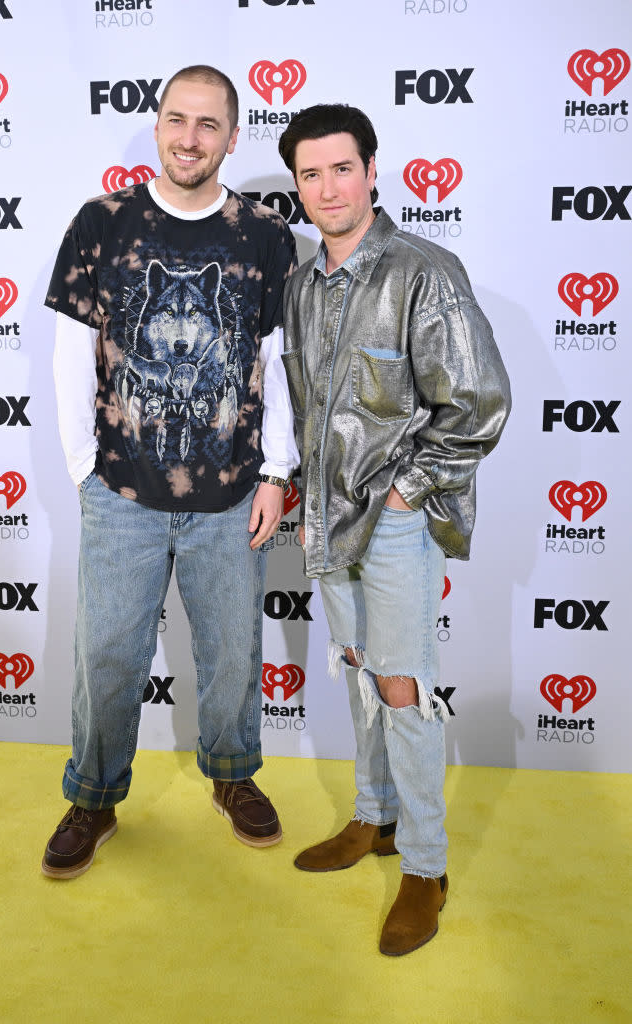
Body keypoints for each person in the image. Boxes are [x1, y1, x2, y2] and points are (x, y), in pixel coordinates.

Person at [41, 65, 298, 879]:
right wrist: (85, 466)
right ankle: (93, 796)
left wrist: (276, 471)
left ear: (232, 134)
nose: (190, 138)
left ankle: (233, 778)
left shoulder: (263, 235)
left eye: (209, 124)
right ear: (156, 126)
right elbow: (66, 355)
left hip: (231, 492)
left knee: (231, 651)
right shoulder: (101, 223)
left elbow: (275, 362)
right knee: (108, 654)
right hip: (121, 490)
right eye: (177, 120)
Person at [277, 104, 510, 955]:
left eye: (342, 168)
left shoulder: (423, 271)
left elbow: (479, 402)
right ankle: (372, 820)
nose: (327, 187)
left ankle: (424, 865)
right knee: (357, 671)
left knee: (403, 687)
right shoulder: (302, 286)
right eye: (310, 174)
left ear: (374, 171)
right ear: (297, 186)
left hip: (393, 524)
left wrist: (409, 490)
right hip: (323, 521)